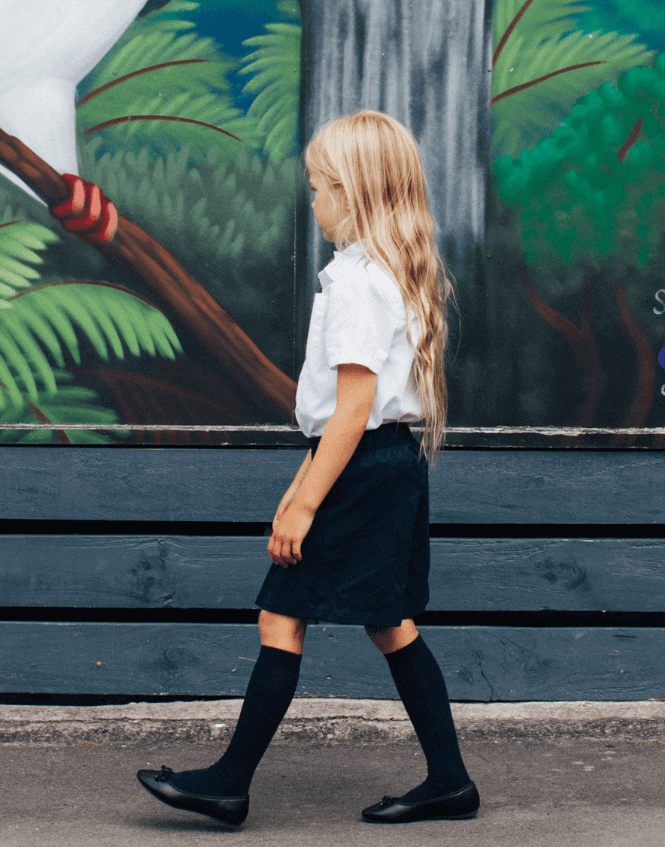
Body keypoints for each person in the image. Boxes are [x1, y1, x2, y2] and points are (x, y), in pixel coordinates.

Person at [137, 109, 478, 828]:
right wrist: (300, 485)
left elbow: (351, 409)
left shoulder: (357, 279)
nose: (313, 202)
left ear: (353, 193)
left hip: (362, 464)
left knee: (281, 613)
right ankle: (449, 779)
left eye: (321, 188)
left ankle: (230, 782)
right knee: (389, 622)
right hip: (388, 466)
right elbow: (350, 418)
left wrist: (303, 504)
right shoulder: (399, 271)